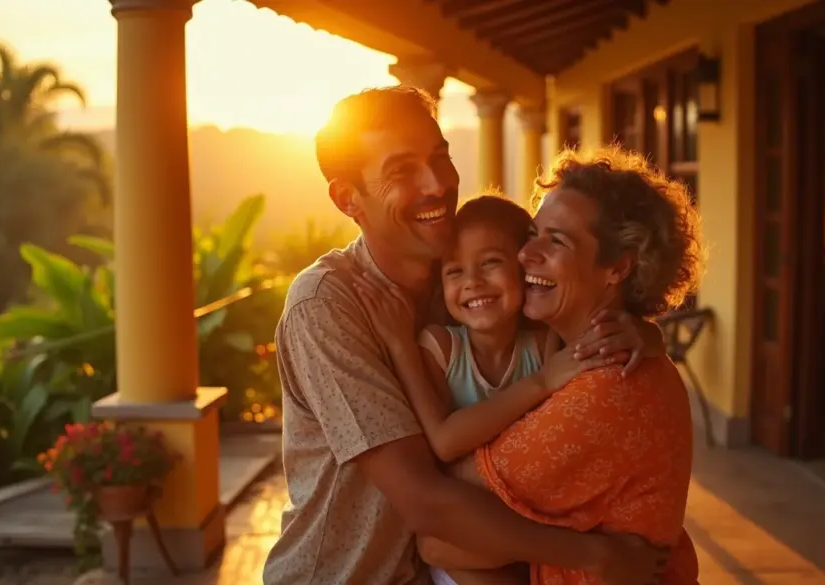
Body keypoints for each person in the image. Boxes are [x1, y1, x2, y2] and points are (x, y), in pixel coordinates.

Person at [264, 87, 667, 585]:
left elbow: (569, 304)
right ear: (349, 198)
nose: (436, 184)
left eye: (440, 158)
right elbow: (423, 501)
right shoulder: (329, 305)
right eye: (401, 172)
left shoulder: (462, 278)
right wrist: (597, 556)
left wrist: (638, 332)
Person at [412, 146, 705, 584]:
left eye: (557, 241)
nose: (526, 255)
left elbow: (439, 534)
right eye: (533, 233)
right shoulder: (604, 355)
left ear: (617, 268)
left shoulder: (604, 386)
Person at [353, 195, 652, 585]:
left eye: (490, 263)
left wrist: (646, 333)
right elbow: (445, 441)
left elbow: (610, 338)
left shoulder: (543, 345)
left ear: (523, 267)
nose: (472, 283)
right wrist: (399, 346)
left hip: (529, 529)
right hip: (463, 543)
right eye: (454, 271)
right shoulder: (439, 349)